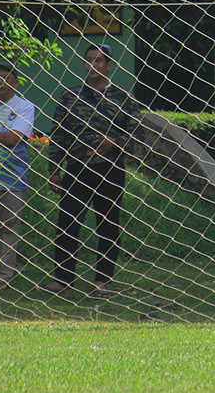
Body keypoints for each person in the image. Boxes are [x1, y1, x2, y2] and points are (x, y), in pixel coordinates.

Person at [41, 44, 141, 298]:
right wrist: (54, 169)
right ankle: (63, 279)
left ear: (109, 66)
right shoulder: (70, 96)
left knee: (108, 225)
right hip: (77, 168)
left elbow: (138, 135)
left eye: (99, 61)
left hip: (110, 169)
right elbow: (59, 135)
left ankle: (102, 282)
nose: (93, 66)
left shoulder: (123, 98)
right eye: (89, 61)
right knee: (67, 223)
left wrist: (116, 143)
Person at [0, 62, 36, 292]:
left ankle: (3, 277)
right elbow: (6, 136)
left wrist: (2, 136)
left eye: (6, 77)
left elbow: (13, 139)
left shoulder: (25, 107)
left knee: (8, 227)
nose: (0, 82)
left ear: (16, 82)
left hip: (11, 178)